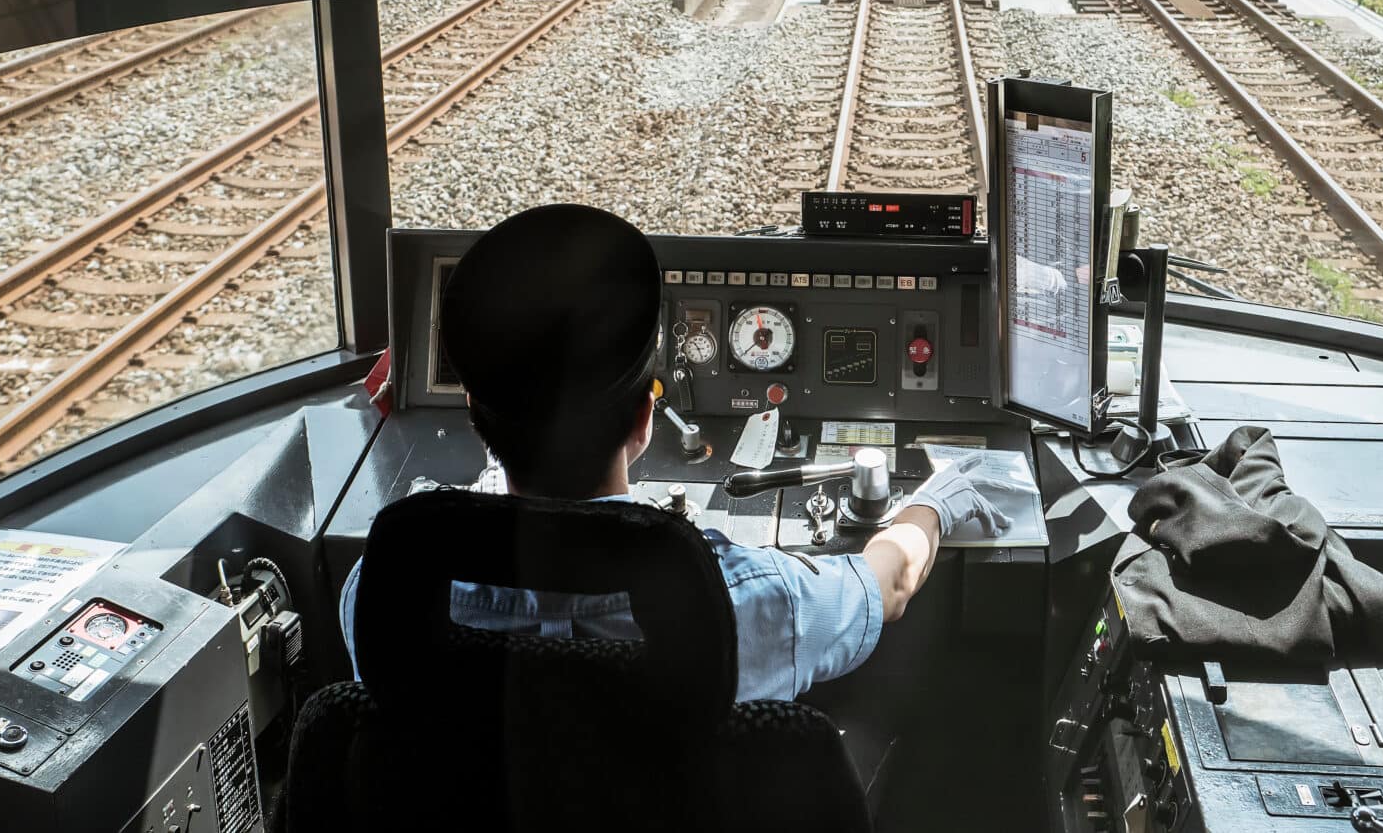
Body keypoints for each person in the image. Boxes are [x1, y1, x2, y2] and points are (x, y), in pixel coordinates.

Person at [338, 202, 1010, 703]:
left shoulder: (390, 582)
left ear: (473, 410)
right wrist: (932, 506)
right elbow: (883, 585)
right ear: (644, 419)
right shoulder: (735, 599)